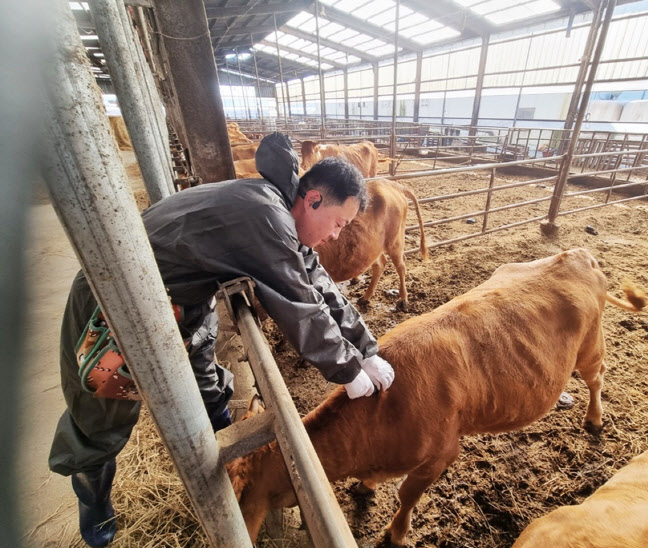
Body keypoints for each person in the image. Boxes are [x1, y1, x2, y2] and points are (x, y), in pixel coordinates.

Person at [48, 132, 395, 547]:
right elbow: (299, 305)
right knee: (102, 411)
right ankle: (95, 499)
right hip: (115, 303)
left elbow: (317, 281)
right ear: (315, 199)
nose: (337, 236)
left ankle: (230, 464)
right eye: (338, 224)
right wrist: (347, 370)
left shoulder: (280, 207)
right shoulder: (266, 217)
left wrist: (366, 349)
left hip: (182, 302)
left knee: (208, 384)